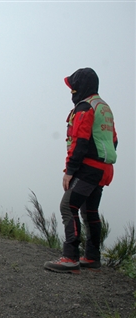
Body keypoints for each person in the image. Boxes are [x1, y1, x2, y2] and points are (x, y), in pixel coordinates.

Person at [44, 67, 118, 274]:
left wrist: (70, 171)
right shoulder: (104, 108)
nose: (72, 92)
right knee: (90, 212)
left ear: (82, 86)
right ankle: (92, 257)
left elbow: (80, 141)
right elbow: (114, 140)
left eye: (74, 88)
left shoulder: (85, 107)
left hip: (88, 168)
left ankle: (70, 257)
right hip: (104, 169)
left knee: (68, 206)